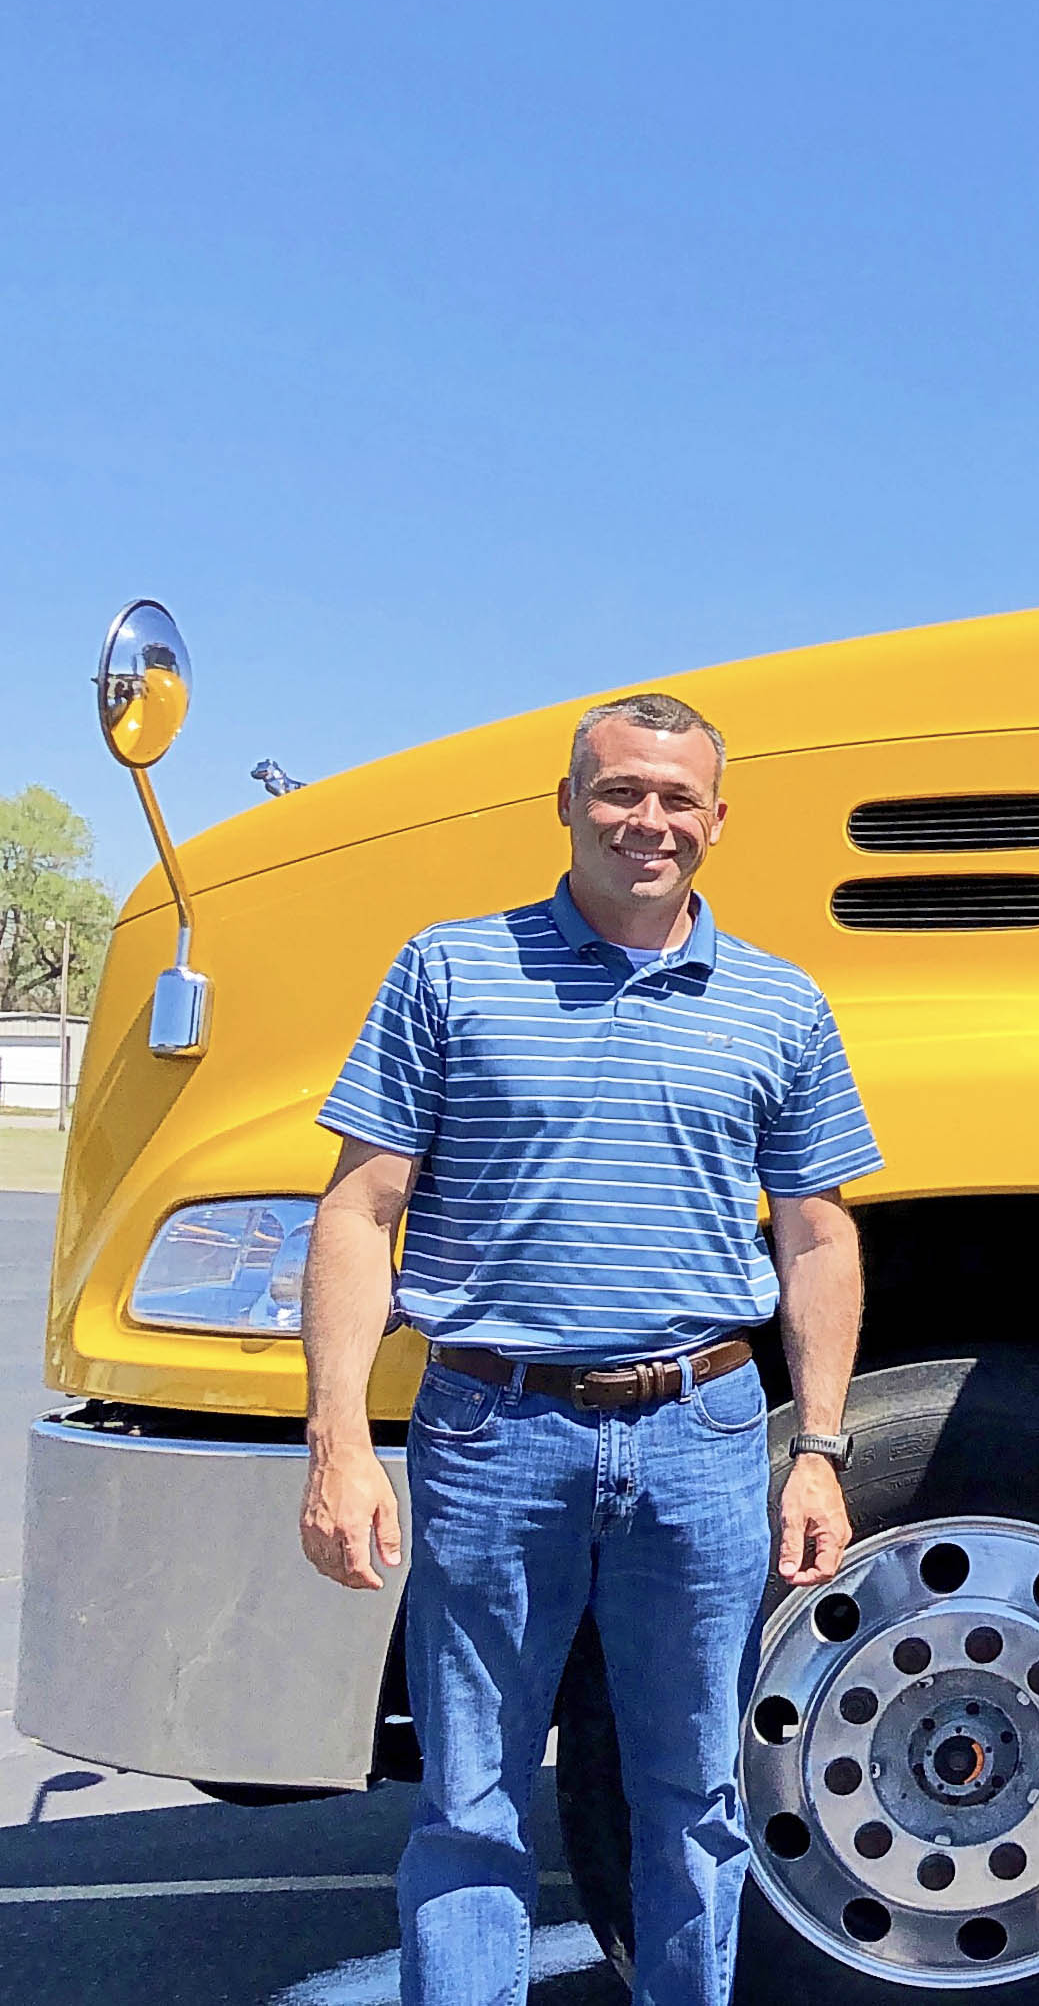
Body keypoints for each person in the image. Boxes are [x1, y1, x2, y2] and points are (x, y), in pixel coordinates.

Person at [296, 692, 882, 2006]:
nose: (648, 821)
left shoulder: (779, 1007)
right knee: (471, 1796)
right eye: (619, 791)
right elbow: (358, 1209)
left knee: (697, 1788)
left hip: (706, 1434)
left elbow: (819, 1241)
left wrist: (824, 1447)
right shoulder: (450, 971)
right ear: (566, 803)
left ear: (719, 820)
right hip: (490, 1432)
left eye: (678, 798)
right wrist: (338, 1440)